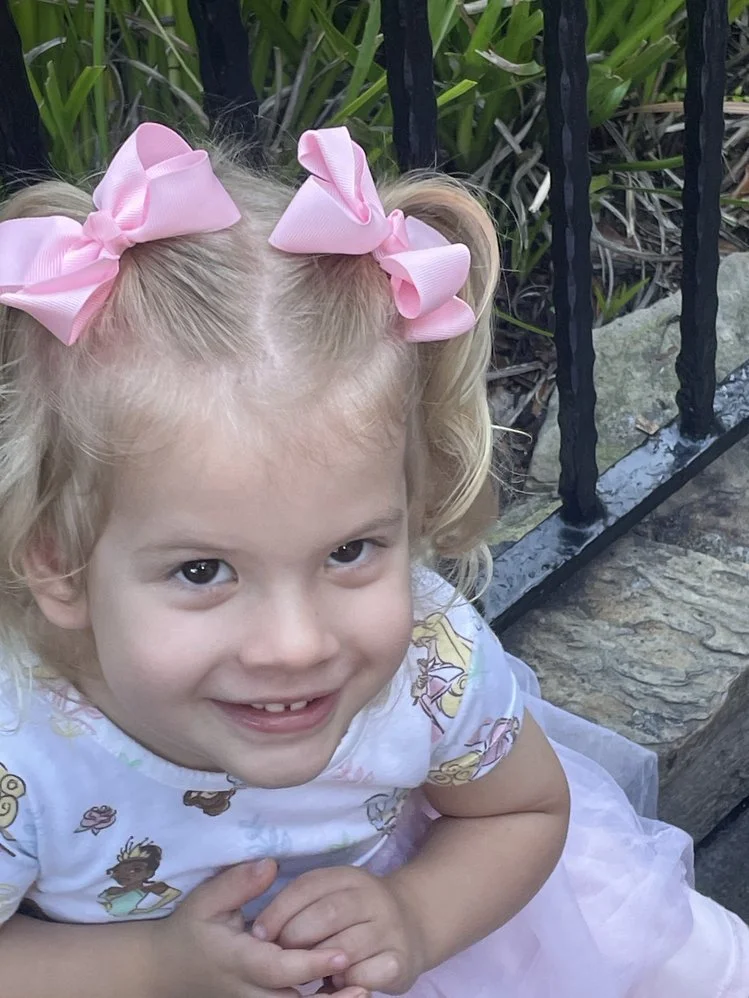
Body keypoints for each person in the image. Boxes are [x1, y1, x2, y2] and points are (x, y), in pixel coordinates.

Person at [0, 122, 745, 998]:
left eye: (349, 551)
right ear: (59, 566)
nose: (296, 644)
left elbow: (522, 808)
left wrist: (417, 916)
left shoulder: (429, 665)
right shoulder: (23, 753)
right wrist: (155, 968)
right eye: (202, 571)